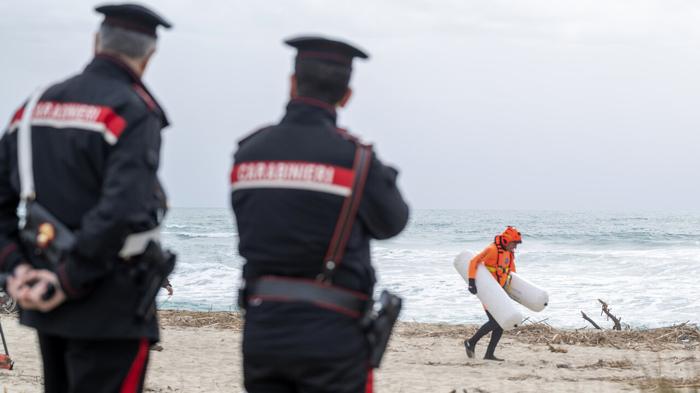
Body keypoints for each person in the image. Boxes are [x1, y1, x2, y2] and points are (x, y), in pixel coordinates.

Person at [0, 4, 173, 392]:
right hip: (109, 304)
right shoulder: (134, 110)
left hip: (43, 298)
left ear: (96, 42)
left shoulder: (30, 109)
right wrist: (68, 279)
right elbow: (121, 210)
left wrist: (16, 269)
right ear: (149, 55)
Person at [231, 36, 410, 393]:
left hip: (263, 325)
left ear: (292, 83)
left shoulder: (248, 153)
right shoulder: (356, 159)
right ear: (346, 95)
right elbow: (394, 221)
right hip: (332, 331)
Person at [464, 226, 522, 361]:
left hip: (499, 292)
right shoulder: (492, 250)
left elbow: (512, 273)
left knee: (500, 323)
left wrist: (513, 293)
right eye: (514, 244)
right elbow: (474, 262)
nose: (515, 247)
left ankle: (489, 354)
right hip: (488, 292)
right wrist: (471, 282)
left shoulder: (509, 253)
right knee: (495, 321)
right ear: (507, 241)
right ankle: (471, 342)